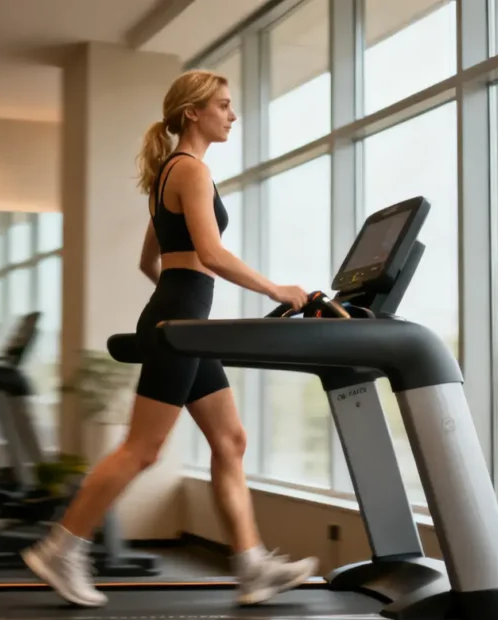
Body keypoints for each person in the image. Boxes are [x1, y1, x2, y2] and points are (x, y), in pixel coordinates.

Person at [21, 69, 317, 608]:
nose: (232, 115)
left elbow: (147, 260)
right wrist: (275, 288)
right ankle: (61, 548)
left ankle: (251, 567)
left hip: (180, 319)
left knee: (231, 441)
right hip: (180, 322)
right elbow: (211, 252)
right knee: (143, 448)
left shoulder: (167, 173)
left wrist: (176, 304)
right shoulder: (192, 171)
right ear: (193, 113)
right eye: (223, 106)